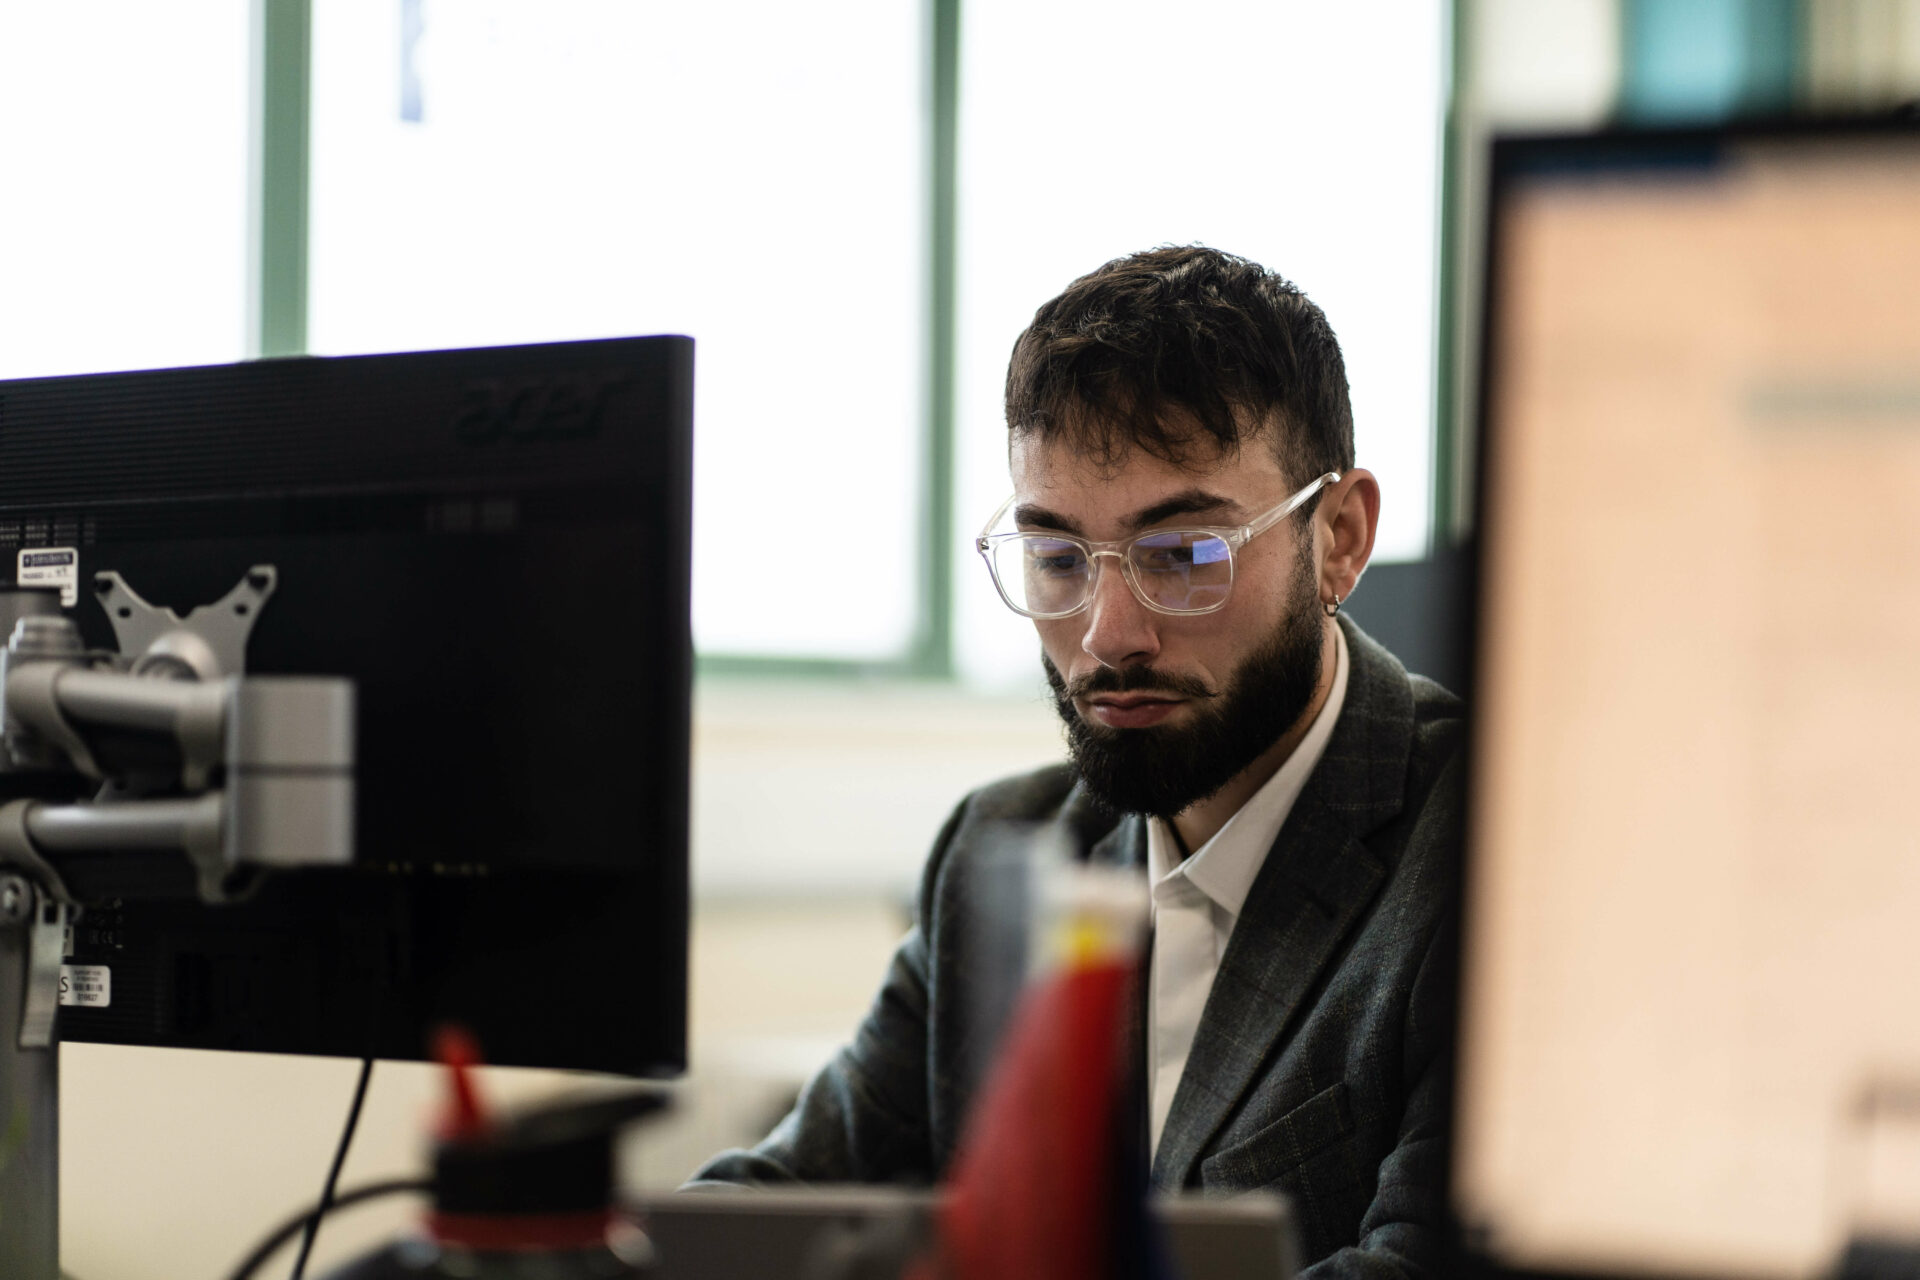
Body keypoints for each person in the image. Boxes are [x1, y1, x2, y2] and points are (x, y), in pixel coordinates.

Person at [690, 246, 1462, 1277]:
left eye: (1182, 555)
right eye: (1057, 557)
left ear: (1340, 537)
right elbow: (768, 1207)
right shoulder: (999, 853)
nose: (1107, 634)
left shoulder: (1490, 857)